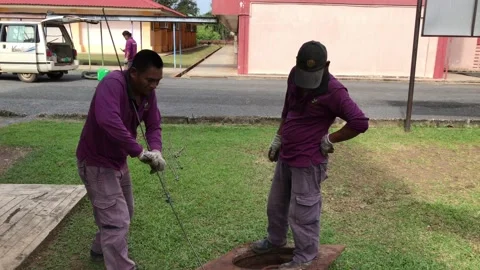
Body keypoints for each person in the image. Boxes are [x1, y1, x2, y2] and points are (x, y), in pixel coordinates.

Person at [250, 40, 369, 270]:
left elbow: (360, 122)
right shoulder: (295, 75)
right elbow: (288, 109)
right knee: (276, 204)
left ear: (326, 66)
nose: (306, 83)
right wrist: (278, 138)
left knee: (303, 212)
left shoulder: (335, 91)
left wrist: (330, 139)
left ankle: (305, 256)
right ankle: (275, 241)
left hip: (309, 162)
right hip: (287, 155)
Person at [76, 49, 166, 270]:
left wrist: (156, 150)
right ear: (133, 72)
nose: (154, 85)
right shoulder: (112, 83)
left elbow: (153, 124)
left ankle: (98, 249)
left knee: (125, 211)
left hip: (118, 160)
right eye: (150, 80)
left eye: (158, 81)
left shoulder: (147, 93)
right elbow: (108, 120)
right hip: (97, 162)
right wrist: (139, 151)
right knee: (116, 220)